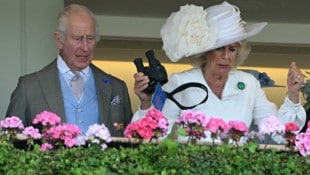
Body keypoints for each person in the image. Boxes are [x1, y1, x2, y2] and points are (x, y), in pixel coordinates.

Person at [132, 1, 306, 143]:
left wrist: (292, 94)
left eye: (232, 49)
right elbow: (155, 134)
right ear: (205, 52)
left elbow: (279, 133)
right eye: (219, 49)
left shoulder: (249, 84)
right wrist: (147, 102)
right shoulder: (180, 82)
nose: (226, 56)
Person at [6, 4, 132, 136]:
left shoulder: (117, 87)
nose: (85, 47)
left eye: (90, 39)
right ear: (59, 40)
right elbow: (10, 145)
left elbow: (131, 144)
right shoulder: (29, 87)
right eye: (78, 39)